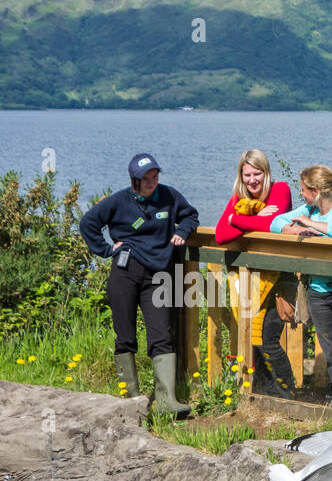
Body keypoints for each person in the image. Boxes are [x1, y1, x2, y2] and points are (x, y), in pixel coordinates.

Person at [78, 152, 199, 416]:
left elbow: (191, 216)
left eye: (155, 177)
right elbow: (88, 223)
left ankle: (167, 400)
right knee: (125, 336)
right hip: (125, 271)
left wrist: (181, 231)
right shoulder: (119, 201)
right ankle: (130, 400)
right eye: (146, 179)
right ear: (135, 180)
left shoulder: (169, 196)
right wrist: (106, 249)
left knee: (161, 335)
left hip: (157, 275)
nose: (152, 183)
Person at [270, 166, 332, 410]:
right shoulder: (308, 209)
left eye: (304, 190)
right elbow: (275, 223)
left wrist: (311, 224)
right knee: (330, 352)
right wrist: (296, 228)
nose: (301, 194)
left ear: (317, 191)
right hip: (317, 290)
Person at [213, 149, 297, 397]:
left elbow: (272, 227)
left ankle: (287, 390)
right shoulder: (239, 197)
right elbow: (220, 235)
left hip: (280, 278)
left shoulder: (280, 190)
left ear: (266, 173)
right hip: (250, 278)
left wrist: (237, 220)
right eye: (247, 174)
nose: (252, 180)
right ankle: (264, 389)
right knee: (251, 336)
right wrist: (253, 218)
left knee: (267, 337)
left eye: (257, 174)